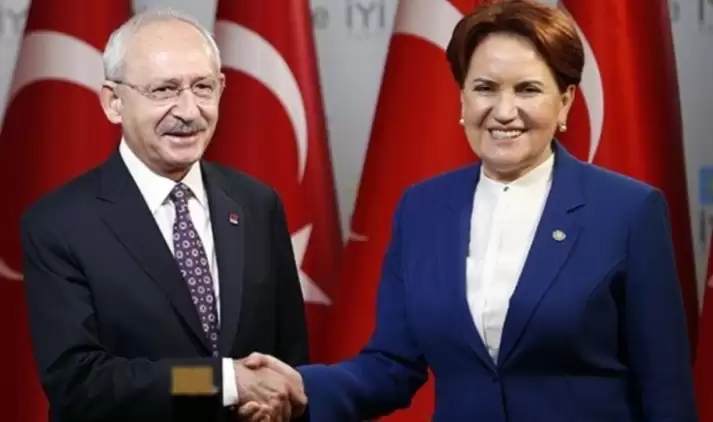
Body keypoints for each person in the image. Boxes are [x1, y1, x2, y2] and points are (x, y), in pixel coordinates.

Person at [241, 0, 698, 421]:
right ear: (463, 99)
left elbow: (665, 390)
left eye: (528, 89)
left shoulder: (627, 211)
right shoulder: (422, 209)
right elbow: (392, 364)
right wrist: (300, 385)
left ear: (565, 102)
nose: (504, 110)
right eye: (485, 88)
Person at [21, 8, 308, 422]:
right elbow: (79, 383)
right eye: (164, 90)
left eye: (203, 87)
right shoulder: (59, 224)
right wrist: (223, 382)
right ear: (114, 102)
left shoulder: (257, 204)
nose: (189, 111)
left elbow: (289, 361)